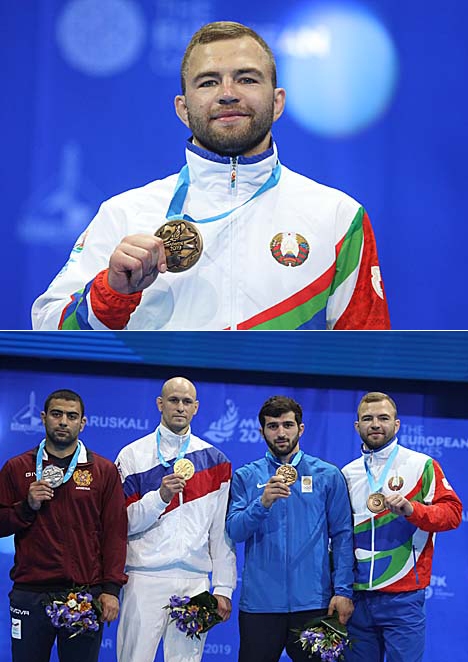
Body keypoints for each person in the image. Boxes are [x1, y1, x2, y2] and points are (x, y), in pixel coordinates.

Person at [31, 21, 390, 331]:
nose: (228, 94)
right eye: (208, 83)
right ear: (183, 109)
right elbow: (46, 328)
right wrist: (112, 292)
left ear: (277, 102)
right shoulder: (124, 214)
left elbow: (369, 352)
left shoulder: (338, 217)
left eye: (247, 79)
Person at [0, 389, 128, 662]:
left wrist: (110, 590)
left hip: (82, 594)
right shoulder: (16, 467)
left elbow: (115, 534)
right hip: (30, 594)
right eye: (56, 414)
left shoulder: (103, 471)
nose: (63, 422)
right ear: (44, 418)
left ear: (83, 423)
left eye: (72, 416)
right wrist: (26, 506)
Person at [115, 376, 237, 662]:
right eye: (173, 400)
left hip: (194, 581)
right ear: (160, 404)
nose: (180, 407)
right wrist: (160, 497)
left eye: (186, 402)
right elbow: (122, 524)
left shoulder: (216, 460)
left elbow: (220, 532)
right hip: (144, 578)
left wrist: (223, 587)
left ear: (196, 408)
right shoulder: (132, 455)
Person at [226, 395, 354, 662]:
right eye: (273, 426)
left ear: (301, 428)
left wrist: (342, 591)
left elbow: (342, 536)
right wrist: (261, 504)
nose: (281, 433)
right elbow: (234, 532)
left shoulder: (328, 475)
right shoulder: (246, 476)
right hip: (260, 605)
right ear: (261, 431)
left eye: (287, 425)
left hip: (315, 603)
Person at [342, 391, 462, 662]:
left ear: (397, 425)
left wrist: (412, 509)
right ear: (357, 426)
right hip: (357, 598)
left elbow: (453, 514)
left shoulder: (421, 465)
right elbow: (338, 537)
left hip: (403, 597)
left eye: (383, 418)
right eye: (368, 418)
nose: (375, 424)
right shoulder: (347, 473)